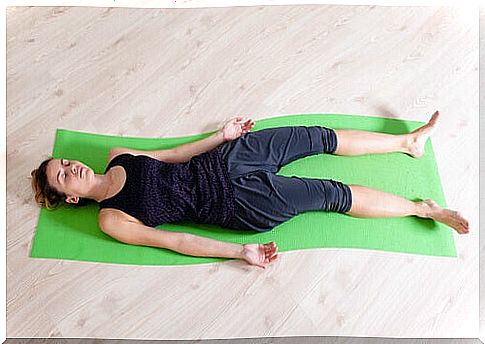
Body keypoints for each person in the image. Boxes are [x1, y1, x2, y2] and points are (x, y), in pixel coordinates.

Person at [31, 111, 469, 269]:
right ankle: (423, 209)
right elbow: (175, 240)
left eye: (66, 161)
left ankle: (407, 143)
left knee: (317, 136)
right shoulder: (111, 218)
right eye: (65, 174)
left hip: (225, 160)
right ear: (70, 197)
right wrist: (238, 252)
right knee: (333, 194)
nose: (72, 166)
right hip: (235, 204)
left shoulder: (117, 155)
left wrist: (220, 137)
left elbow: (174, 155)